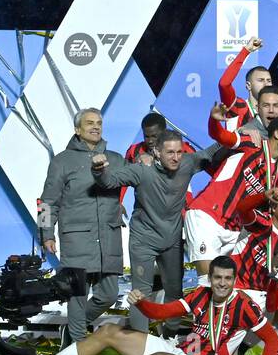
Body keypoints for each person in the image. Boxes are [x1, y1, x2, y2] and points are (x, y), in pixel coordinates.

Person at [42, 256, 278, 355]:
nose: (222, 283)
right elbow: (162, 313)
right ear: (210, 278)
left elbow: (272, 339)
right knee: (108, 330)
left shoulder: (245, 306)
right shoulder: (200, 293)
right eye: (217, 277)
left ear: (234, 280)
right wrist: (142, 303)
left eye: (228, 279)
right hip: (179, 351)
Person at [93, 130, 223, 333]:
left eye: (179, 152)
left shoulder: (187, 163)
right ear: (156, 152)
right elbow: (109, 181)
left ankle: (170, 337)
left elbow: (211, 152)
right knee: (140, 294)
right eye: (170, 152)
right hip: (143, 242)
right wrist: (99, 170)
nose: (176, 157)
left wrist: (243, 131)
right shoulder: (141, 170)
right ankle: (140, 342)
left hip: (172, 241)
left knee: (175, 291)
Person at [38, 108, 127, 344]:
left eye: (99, 123)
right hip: (76, 239)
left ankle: (72, 329)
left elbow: (136, 178)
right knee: (77, 295)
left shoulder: (116, 159)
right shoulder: (62, 161)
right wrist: (46, 233)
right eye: (90, 123)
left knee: (108, 294)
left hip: (108, 237)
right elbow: (47, 202)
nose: (96, 127)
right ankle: (77, 348)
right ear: (78, 130)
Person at [187, 111, 278, 282]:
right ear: (277, 134)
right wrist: (213, 120)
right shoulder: (251, 144)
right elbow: (220, 135)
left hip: (235, 230)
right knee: (208, 282)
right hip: (208, 216)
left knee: (229, 286)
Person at [218, 37, 271, 129]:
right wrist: (246, 51)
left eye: (269, 80)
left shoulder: (273, 112)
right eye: (261, 80)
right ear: (248, 86)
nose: (266, 84)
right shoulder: (237, 106)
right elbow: (224, 84)